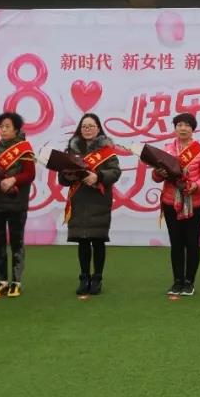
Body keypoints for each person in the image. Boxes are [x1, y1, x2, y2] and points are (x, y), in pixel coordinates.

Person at [58, 113, 122, 298]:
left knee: (98, 240)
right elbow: (62, 178)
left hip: (99, 200)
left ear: (98, 128)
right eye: (84, 126)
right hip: (79, 199)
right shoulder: (71, 150)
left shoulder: (107, 150)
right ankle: (84, 277)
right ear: (80, 129)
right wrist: (68, 176)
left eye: (91, 126)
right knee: (83, 240)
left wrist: (98, 176)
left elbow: (115, 172)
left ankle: (97, 278)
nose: (87, 129)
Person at [153, 113, 200, 296]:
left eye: (187, 125)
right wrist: (159, 173)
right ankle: (177, 280)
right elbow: (156, 177)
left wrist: (196, 186)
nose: (183, 128)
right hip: (171, 203)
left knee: (192, 243)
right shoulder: (167, 149)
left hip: (194, 204)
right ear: (175, 128)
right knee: (176, 243)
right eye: (179, 125)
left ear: (192, 128)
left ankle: (189, 281)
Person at [0, 112, 35, 299]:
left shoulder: (25, 149)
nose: (3, 130)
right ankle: (2, 281)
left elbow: (29, 174)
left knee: (16, 243)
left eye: (7, 126)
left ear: (16, 129)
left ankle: (16, 282)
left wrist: (13, 179)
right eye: (1, 126)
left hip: (16, 202)